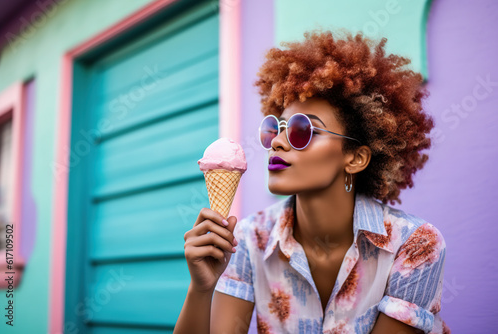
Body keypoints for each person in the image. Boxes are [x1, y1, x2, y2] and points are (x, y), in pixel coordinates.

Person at [174, 30, 449, 334]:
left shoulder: (415, 245)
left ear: (355, 158)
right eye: (274, 128)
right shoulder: (248, 239)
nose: (277, 142)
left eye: (303, 131)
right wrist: (200, 289)